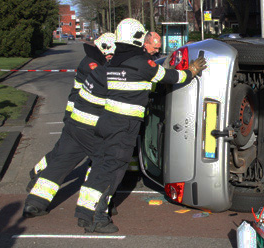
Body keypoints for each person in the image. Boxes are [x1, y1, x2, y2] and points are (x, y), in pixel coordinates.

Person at [74, 19, 207, 233]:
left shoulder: (113, 62)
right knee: (114, 172)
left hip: (106, 121)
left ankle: (84, 213)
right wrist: (192, 70)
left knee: (100, 168)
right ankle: (99, 218)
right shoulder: (142, 63)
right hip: (124, 126)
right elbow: (171, 76)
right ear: (137, 38)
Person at [22, 35, 116, 218]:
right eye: (111, 54)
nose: (112, 57)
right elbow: (107, 86)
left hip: (75, 121)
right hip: (86, 120)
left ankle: (35, 203)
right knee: (103, 159)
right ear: (104, 49)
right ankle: (96, 204)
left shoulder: (92, 61)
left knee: (61, 159)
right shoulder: (92, 65)